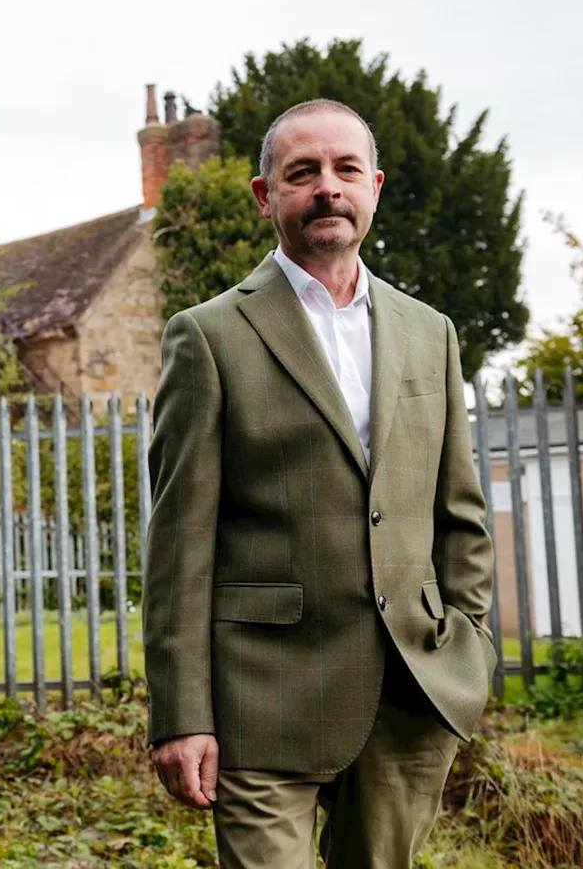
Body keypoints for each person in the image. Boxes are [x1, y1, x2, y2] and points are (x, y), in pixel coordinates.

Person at [141, 99, 496, 868]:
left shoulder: (428, 331)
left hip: (412, 687)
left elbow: (459, 511)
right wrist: (181, 714)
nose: (326, 188)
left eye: (344, 171)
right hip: (261, 697)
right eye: (302, 173)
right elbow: (179, 542)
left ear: (374, 186)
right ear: (268, 197)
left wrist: (470, 641)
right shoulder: (207, 337)